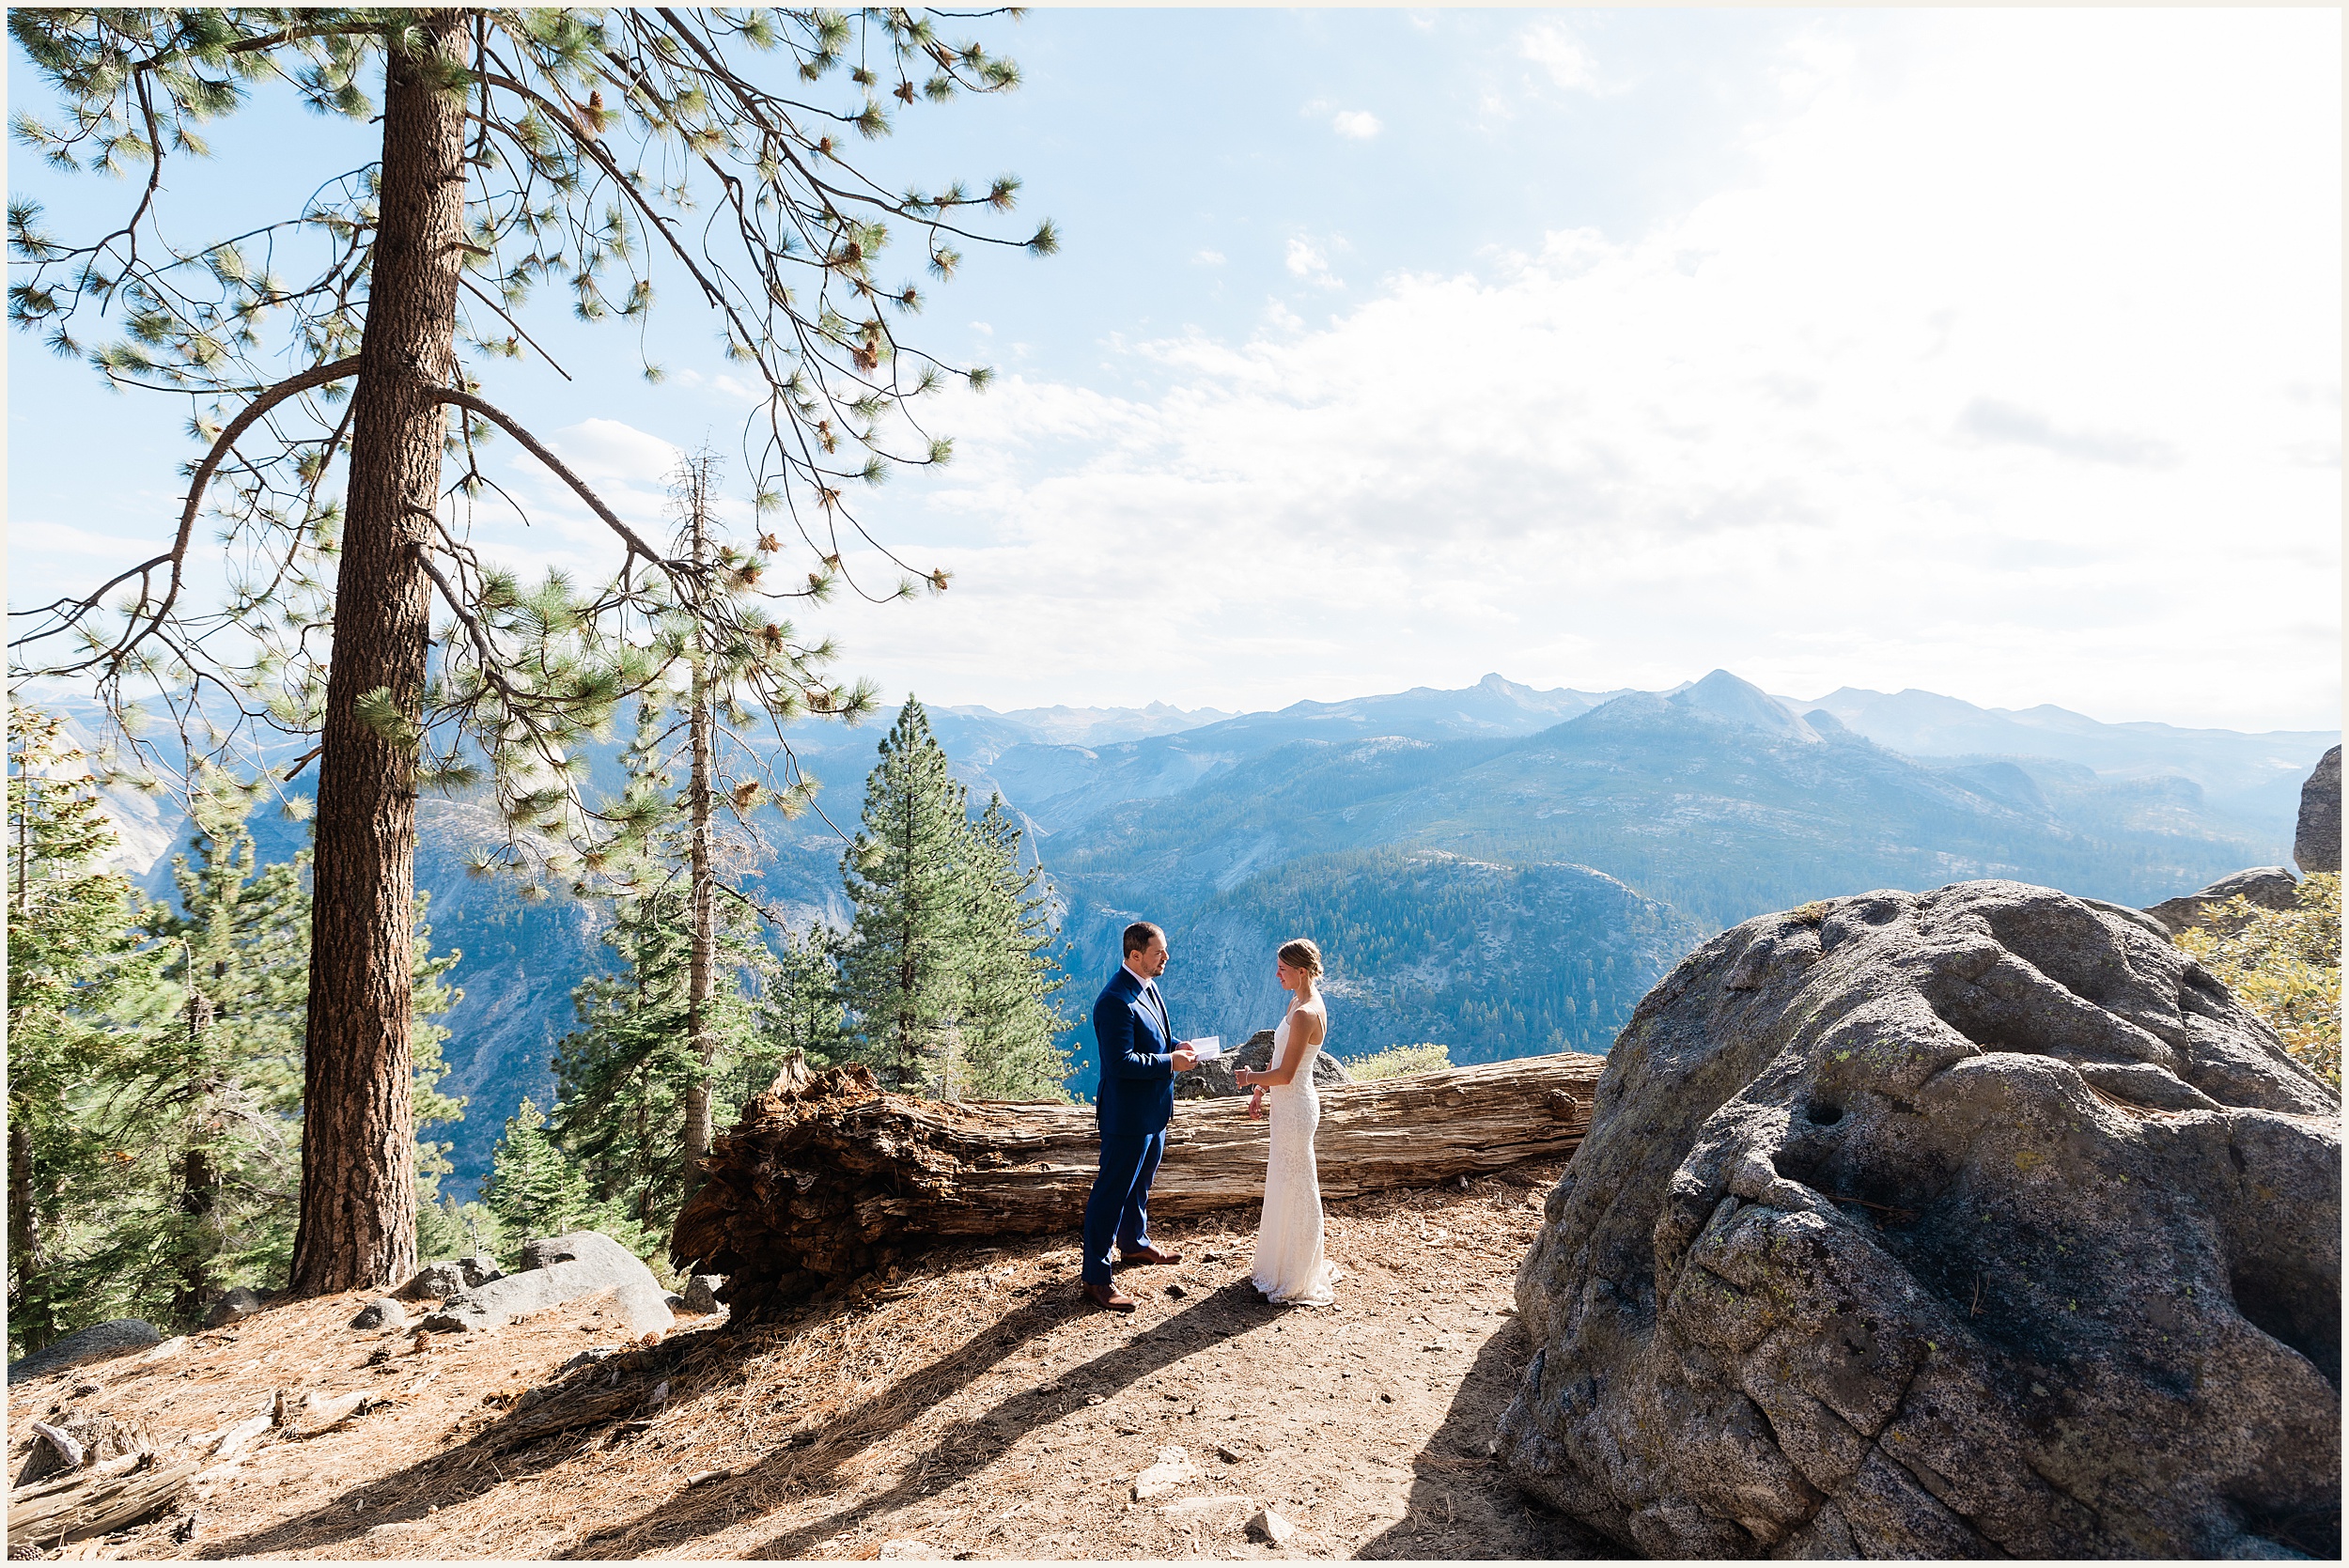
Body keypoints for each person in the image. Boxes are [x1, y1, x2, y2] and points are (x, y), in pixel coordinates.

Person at [1080, 921, 1199, 1312]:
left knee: (1141, 1184)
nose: (1166, 958)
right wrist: (1170, 1062)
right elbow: (1119, 1063)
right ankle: (1096, 1279)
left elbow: (1153, 1037)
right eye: (1158, 952)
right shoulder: (1114, 1000)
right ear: (1134, 955)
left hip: (1154, 1112)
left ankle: (1134, 1244)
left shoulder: (1148, 984)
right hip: (1127, 1117)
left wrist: (1173, 1044)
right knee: (1110, 1195)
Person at [1234, 937, 1337, 1306]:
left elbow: (1289, 1074)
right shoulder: (1298, 1002)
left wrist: (1250, 1081)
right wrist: (1261, 1090)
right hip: (1287, 1105)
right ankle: (1282, 1262)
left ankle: (1296, 1272)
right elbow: (1280, 1058)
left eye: (1282, 968)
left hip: (1295, 1108)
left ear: (1301, 971)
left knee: (1296, 1186)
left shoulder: (1307, 1012)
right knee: (1284, 1182)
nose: (1277, 974)